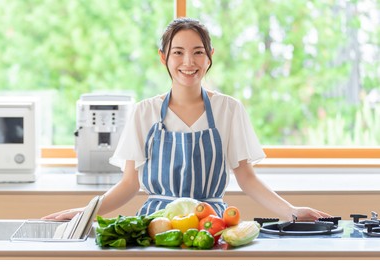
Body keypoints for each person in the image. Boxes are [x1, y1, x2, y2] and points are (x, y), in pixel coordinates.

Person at [43, 17, 330, 222]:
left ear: (210, 57)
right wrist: (86, 213)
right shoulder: (145, 112)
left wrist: (292, 212)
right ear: (163, 57)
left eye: (198, 52)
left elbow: (247, 178)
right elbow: (129, 184)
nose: (188, 63)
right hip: (156, 226)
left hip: (211, 226)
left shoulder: (229, 110)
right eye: (178, 53)